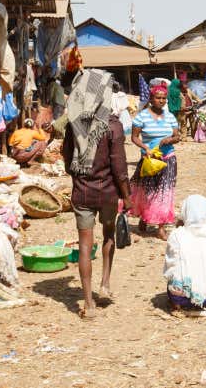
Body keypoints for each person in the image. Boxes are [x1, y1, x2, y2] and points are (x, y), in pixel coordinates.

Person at [63, 69, 130, 319]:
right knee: (108, 235)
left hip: (82, 192)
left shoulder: (74, 124)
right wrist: (128, 195)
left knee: (84, 246)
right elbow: (119, 167)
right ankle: (105, 283)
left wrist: (78, 180)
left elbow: (66, 159)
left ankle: (88, 303)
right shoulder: (112, 126)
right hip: (108, 192)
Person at [163, 194, 206, 312]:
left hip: (179, 295)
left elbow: (169, 270)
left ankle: (177, 305)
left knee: (175, 274)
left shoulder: (176, 235)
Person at [130, 83, 180, 241]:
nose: (161, 101)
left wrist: (169, 139)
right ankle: (144, 218)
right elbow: (134, 137)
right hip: (149, 160)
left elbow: (177, 136)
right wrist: (145, 147)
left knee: (164, 193)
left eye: (164, 98)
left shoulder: (170, 116)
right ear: (151, 99)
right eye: (158, 98)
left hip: (168, 159)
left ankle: (160, 227)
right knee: (148, 192)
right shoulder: (142, 116)